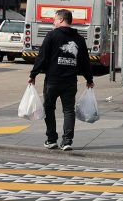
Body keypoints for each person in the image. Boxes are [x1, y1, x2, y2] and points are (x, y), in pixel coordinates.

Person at [28, 9, 94, 151]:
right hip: (70, 82)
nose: (53, 21)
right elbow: (84, 62)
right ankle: (67, 141)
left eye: (55, 19)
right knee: (69, 110)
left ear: (62, 20)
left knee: (49, 108)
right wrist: (89, 79)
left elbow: (42, 57)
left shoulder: (51, 36)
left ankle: (51, 139)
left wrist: (33, 75)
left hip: (53, 80)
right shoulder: (79, 38)